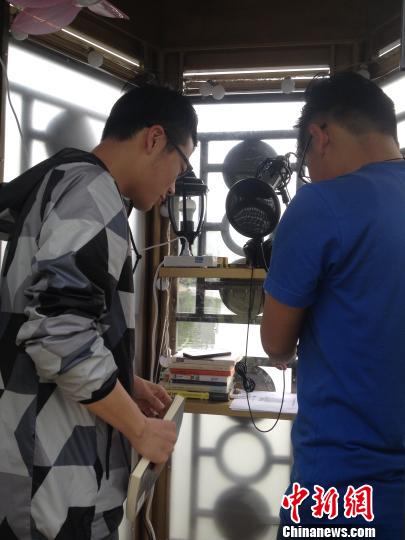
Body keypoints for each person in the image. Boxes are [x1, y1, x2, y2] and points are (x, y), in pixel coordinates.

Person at [0, 84, 198, 539]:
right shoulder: (93, 192)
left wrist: (125, 382)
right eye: (181, 166)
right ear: (154, 138)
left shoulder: (60, 182)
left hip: (35, 467)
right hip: (54, 482)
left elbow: (62, 322)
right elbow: (58, 333)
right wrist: (139, 428)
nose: (173, 187)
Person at [260, 73, 405, 539]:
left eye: (305, 157)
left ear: (318, 136)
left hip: (343, 484)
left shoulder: (321, 204)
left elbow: (276, 344)